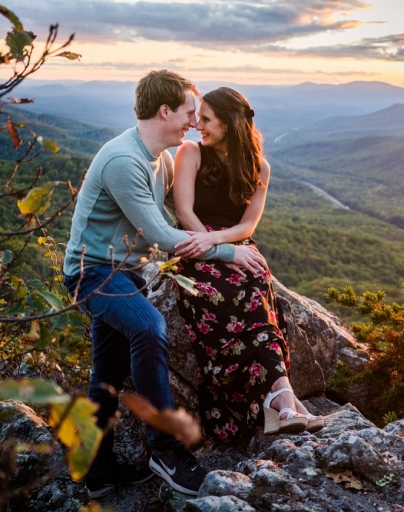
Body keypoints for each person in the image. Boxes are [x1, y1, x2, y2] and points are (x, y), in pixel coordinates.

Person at [63, 70, 267, 498]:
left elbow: (191, 214)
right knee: (148, 328)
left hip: (126, 272)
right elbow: (162, 235)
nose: (195, 122)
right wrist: (231, 252)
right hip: (93, 273)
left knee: (109, 371)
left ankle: (97, 469)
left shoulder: (163, 159)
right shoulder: (124, 161)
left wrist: (229, 233)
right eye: (191, 113)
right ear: (165, 112)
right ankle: (165, 448)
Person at [172, 87, 324, 440]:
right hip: (195, 246)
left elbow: (248, 224)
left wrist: (225, 242)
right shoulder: (190, 153)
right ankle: (286, 401)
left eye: (206, 119)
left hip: (235, 243)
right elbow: (184, 213)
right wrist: (211, 244)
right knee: (230, 296)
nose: (197, 125)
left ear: (229, 123)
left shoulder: (259, 167)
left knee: (258, 293)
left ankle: (280, 397)